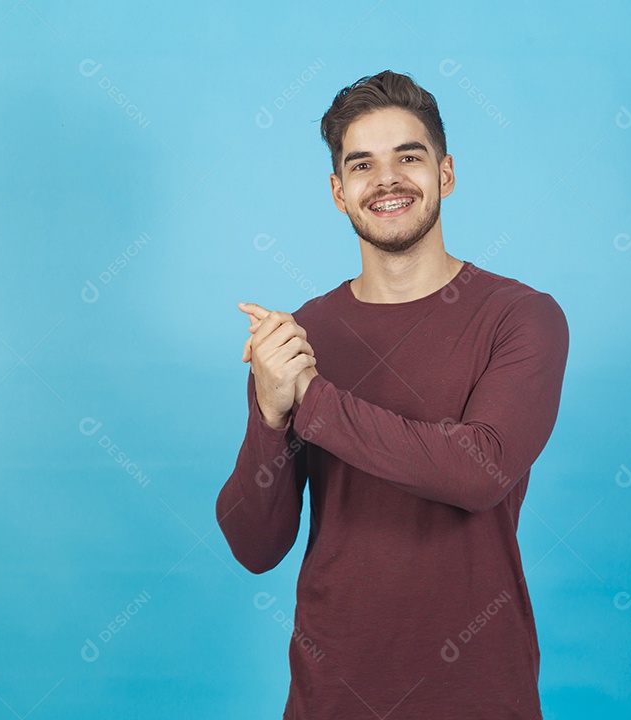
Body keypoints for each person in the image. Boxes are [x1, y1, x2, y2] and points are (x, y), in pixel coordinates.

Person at [216, 69, 569, 719]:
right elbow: (254, 546)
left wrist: (310, 401)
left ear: (446, 173)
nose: (387, 180)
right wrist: (269, 413)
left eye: (409, 156)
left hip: (480, 696)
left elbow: (477, 470)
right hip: (331, 699)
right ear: (337, 192)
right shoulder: (302, 338)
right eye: (362, 165)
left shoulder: (521, 317)